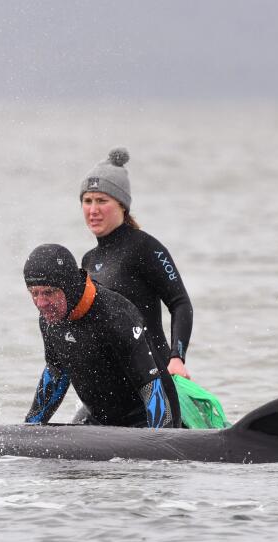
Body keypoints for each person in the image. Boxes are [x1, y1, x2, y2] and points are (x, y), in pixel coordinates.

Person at [23, 243, 179, 428]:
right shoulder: (50, 319)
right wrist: (29, 429)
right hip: (98, 422)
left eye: (48, 292)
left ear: (70, 286)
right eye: (34, 293)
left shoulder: (116, 315)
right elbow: (57, 373)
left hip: (144, 421)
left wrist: (161, 441)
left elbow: (151, 387)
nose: (41, 303)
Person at [78, 147, 194, 379]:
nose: (93, 210)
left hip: (154, 375)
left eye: (102, 200)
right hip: (116, 383)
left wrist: (177, 358)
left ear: (122, 205)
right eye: (87, 201)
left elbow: (180, 303)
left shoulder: (145, 247)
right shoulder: (89, 260)